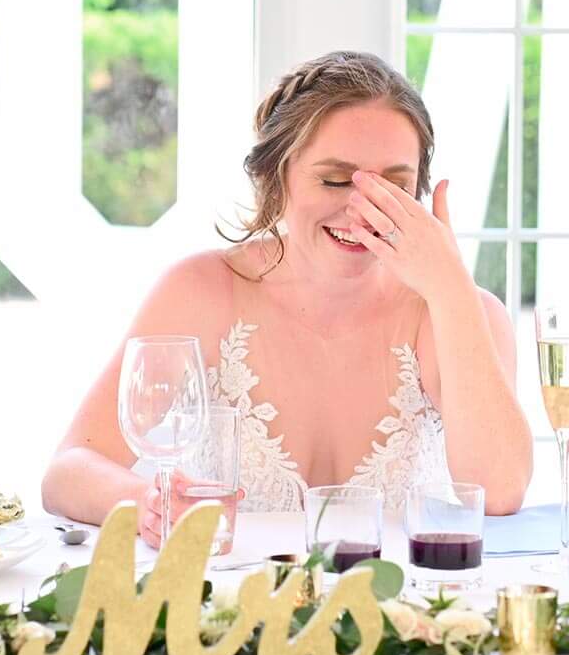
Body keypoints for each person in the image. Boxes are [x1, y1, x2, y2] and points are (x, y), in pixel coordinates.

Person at [42, 50, 531, 536]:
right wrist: (147, 501)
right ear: (276, 179)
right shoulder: (202, 291)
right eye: (336, 180)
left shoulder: (460, 312)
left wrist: (450, 291)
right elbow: (68, 471)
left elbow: (502, 491)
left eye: (394, 188)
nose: (363, 211)